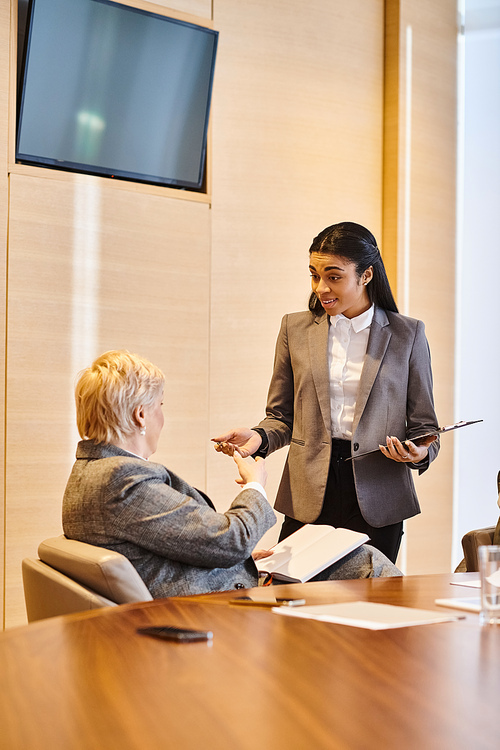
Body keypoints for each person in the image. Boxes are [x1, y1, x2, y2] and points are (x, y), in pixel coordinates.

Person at [62, 350, 401, 600]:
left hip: (212, 585)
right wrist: (255, 485)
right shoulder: (124, 481)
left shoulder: (89, 473)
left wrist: (242, 560)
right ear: (140, 416)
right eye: (160, 406)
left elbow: (161, 546)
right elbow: (230, 541)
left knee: (351, 560)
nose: (162, 417)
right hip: (215, 606)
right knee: (364, 560)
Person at [213, 222, 440, 564]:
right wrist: (258, 437)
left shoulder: (408, 335)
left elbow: (426, 429)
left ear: (366, 275)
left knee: (367, 602)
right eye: (314, 275)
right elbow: (281, 417)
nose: (321, 287)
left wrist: (417, 454)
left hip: (379, 493)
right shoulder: (295, 328)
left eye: (334, 276)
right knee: (293, 597)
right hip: (308, 488)